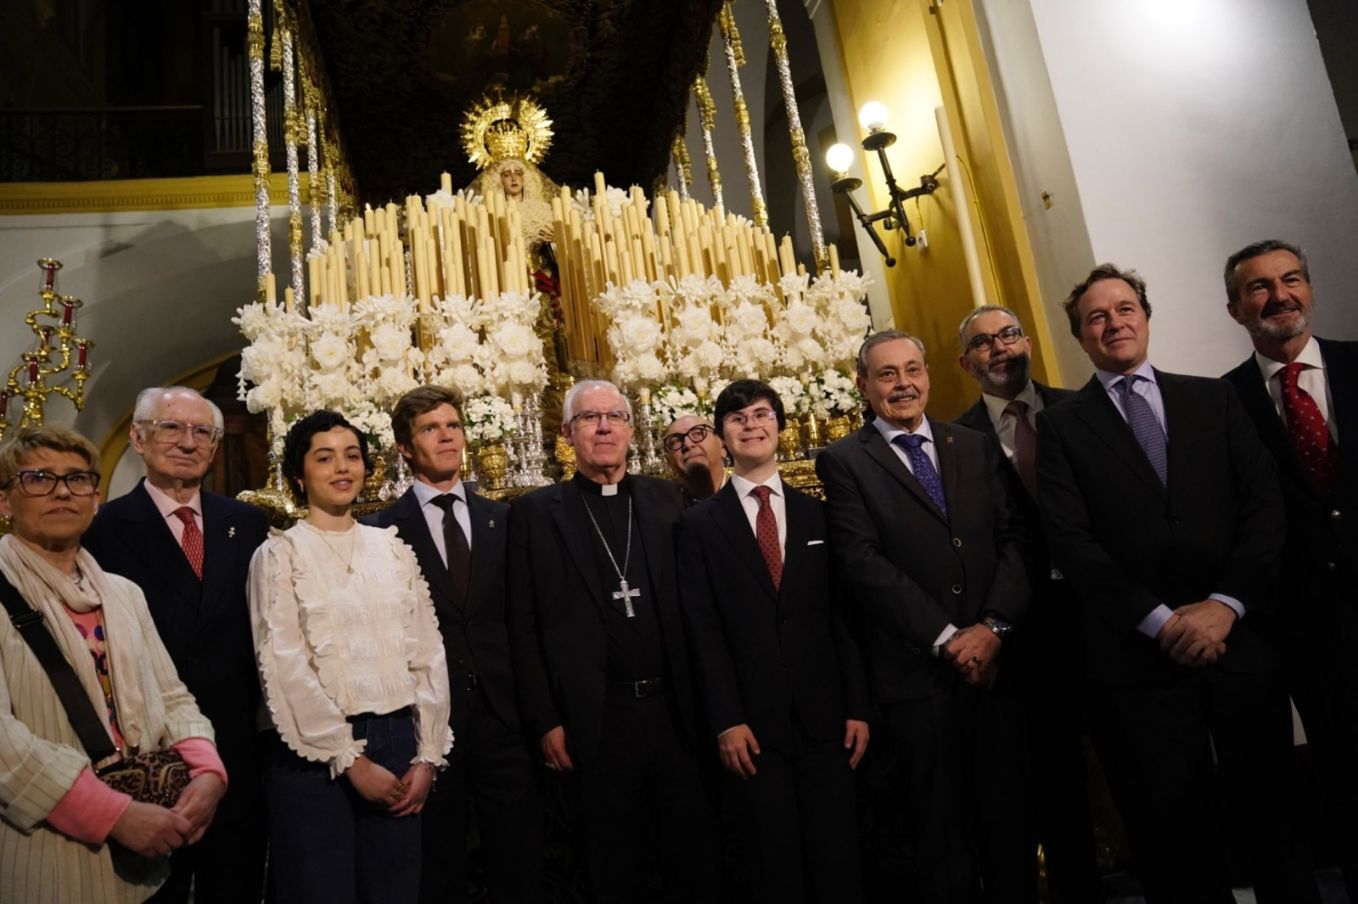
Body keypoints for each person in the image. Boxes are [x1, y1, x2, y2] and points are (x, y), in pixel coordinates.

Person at [1036, 264, 1319, 904]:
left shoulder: (1211, 398)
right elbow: (1071, 541)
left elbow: (1264, 508)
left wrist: (1224, 606)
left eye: (1126, 308)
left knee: (1275, 826)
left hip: (1238, 644)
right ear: (1081, 336)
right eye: (1097, 317)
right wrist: (1163, 621)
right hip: (1141, 659)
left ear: (1146, 316)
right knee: (1175, 840)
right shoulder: (1062, 425)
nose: (1115, 322)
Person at [816, 330, 1036, 902]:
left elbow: (1015, 538)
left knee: (1009, 824)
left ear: (929, 376)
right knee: (941, 840)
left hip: (996, 666)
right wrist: (947, 638)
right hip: (917, 679)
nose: (904, 384)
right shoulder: (843, 462)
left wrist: (992, 629)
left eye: (912, 370)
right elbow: (861, 561)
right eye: (887, 374)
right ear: (863, 386)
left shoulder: (973, 444)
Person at [506, 379, 717, 903]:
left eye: (614, 417)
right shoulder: (535, 513)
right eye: (589, 418)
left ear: (630, 428)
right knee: (613, 869)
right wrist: (546, 718)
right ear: (567, 433)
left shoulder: (670, 499)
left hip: (676, 711)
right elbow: (523, 626)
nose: (604, 427)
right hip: (596, 718)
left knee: (692, 861)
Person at [0, 425, 227, 903]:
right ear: (4, 501)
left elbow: (170, 693)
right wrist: (112, 815)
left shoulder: (123, 593)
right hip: (45, 851)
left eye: (77, 479)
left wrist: (207, 771)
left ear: (95, 498)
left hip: (147, 861)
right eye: (38, 478)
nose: (62, 491)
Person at [678, 379, 870, 903]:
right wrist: (726, 719)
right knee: (772, 866)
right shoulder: (699, 524)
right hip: (751, 728)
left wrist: (856, 706)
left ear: (780, 427)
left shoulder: (818, 513)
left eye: (762, 415)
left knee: (838, 862)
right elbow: (703, 629)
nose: (751, 426)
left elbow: (842, 618)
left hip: (826, 720)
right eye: (737, 419)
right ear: (721, 437)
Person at [248, 410, 451, 904]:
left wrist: (427, 754)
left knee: (395, 890)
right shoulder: (280, 554)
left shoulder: (392, 548)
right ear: (299, 474)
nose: (342, 468)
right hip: (314, 754)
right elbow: (283, 666)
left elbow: (427, 653)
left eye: (352, 455)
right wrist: (349, 759)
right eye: (324, 458)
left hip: (399, 740)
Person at [83, 386, 269, 904]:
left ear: (213, 447)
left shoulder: (248, 523)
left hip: (235, 754)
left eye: (201, 432)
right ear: (139, 439)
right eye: (172, 427)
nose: (187, 442)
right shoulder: (101, 529)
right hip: (148, 755)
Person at [363, 386, 543, 904]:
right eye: (430, 428)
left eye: (453, 426)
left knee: (520, 861)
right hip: (427, 726)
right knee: (437, 867)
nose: (446, 436)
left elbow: (522, 618)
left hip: (505, 718)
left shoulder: (504, 519)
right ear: (404, 446)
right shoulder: (382, 530)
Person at [1220, 239, 1357, 899]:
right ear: (1234, 308)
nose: (1279, 296)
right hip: (1305, 633)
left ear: (1310, 287)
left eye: (1291, 279)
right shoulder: (1220, 405)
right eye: (1258, 287)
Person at [954, 308, 1100, 903]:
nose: (999, 349)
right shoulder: (958, 442)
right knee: (1052, 781)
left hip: (1107, 615)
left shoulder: (1083, 410)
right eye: (983, 343)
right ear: (966, 364)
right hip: (1025, 635)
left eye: (1008, 335)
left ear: (1029, 342)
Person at [662, 413, 727, 504]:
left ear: (723, 447)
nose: (688, 444)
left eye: (698, 433)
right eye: (675, 441)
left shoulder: (748, 492)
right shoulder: (664, 509)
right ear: (668, 462)